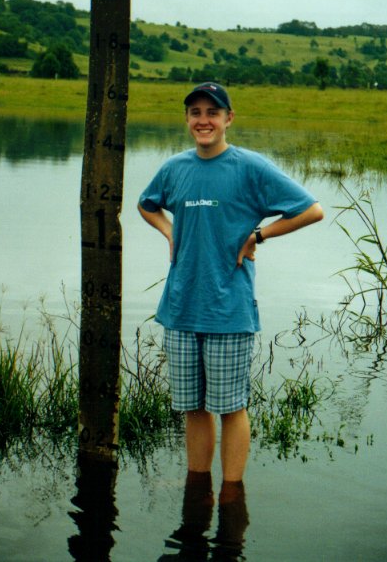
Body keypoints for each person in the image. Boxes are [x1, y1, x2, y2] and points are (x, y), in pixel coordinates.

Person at [137, 82, 324, 484]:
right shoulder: (174, 169)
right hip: (181, 306)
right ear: (187, 119)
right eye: (195, 113)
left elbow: (312, 210)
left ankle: (232, 494)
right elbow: (146, 205)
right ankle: (198, 487)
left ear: (228, 119)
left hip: (229, 308)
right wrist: (170, 231)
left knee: (231, 406)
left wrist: (259, 236)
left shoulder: (250, 167)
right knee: (193, 407)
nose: (203, 121)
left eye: (212, 113)